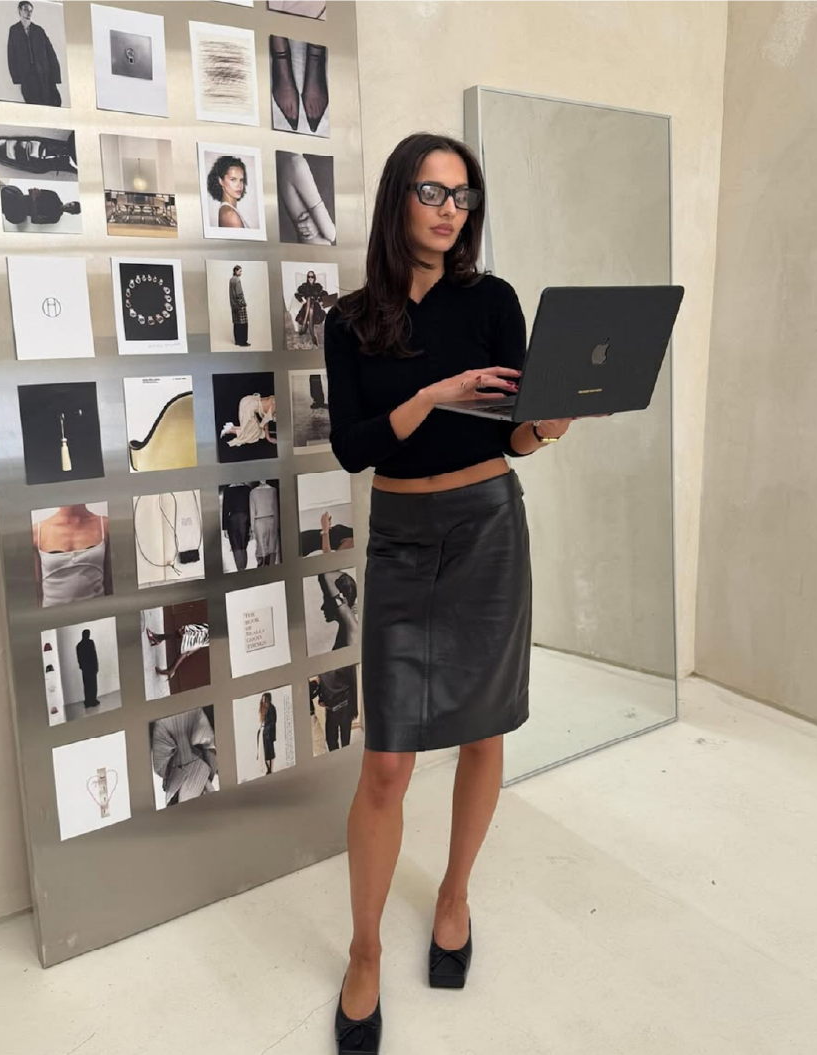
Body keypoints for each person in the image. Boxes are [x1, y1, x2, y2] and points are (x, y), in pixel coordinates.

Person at [324, 132, 612, 1052]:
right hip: (402, 540)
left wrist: (548, 429)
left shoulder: (492, 302)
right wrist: (435, 392)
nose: (450, 209)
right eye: (432, 190)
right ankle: (364, 951)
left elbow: (512, 435)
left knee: (485, 728)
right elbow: (356, 448)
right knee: (386, 764)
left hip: (488, 525)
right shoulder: (351, 318)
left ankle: (454, 894)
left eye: (463, 194)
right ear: (398, 199)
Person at [7, 1, 63, 106]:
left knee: (53, 102)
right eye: (25, 10)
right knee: (34, 104)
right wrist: (16, 78)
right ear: (19, 10)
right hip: (27, 77)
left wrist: (55, 76)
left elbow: (51, 53)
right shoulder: (14, 30)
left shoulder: (39, 30)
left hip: (44, 75)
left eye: (30, 10)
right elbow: (11, 55)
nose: (28, 13)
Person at [0, 184, 81, 227]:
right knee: (9, 190)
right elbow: (33, 191)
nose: (68, 207)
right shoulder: (53, 195)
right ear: (69, 202)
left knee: (16, 218)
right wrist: (33, 199)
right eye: (70, 204)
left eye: (71, 209)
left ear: (71, 213)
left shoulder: (55, 218)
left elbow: (35, 220)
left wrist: (34, 200)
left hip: (20, 212)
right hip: (19, 198)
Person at [207, 155, 249, 230]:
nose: (239, 185)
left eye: (241, 180)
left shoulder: (230, 211)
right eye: (233, 179)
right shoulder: (230, 215)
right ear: (220, 181)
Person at [75, 629, 99, 707]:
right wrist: (96, 666)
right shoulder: (90, 643)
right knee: (92, 684)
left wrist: (82, 666)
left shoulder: (79, 645)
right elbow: (94, 655)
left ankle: (88, 701)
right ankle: (92, 700)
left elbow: (79, 658)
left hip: (86, 668)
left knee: (87, 685)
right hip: (91, 667)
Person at [256, 692, 277, 775]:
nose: (263, 700)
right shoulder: (264, 708)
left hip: (268, 734)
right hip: (264, 733)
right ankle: (268, 769)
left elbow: (273, 722)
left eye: (265, 699)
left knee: (270, 753)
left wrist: (266, 730)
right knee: (264, 751)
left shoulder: (271, 708)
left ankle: (270, 769)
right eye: (263, 699)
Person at [229, 265, 250, 346]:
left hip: (233, 305)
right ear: (235, 271)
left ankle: (237, 341)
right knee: (243, 324)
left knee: (236, 324)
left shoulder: (231, 280)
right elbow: (239, 293)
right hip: (239, 305)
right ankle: (243, 342)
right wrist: (243, 303)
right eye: (240, 271)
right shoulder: (237, 280)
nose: (241, 273)